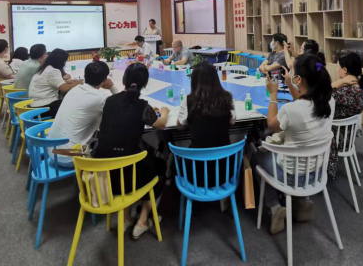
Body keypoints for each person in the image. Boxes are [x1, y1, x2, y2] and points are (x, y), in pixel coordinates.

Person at [255, 53, 335, 235]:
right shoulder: (329, 102)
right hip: (317, 173)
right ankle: (302, 200)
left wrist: (273, 94)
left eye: (292, 72)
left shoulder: (291, 110)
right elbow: (303, 103)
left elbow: (271, 125)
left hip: (291, 175)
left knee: (258, 155)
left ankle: (274, 207)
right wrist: (291, 85)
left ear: (299, 79)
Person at [94, 62, 170, 239]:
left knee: (123, 156)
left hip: (103, 173)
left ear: (124, 80)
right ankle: (142, 221)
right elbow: (161, 124)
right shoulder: (142, 106)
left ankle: (126, 218)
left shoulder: (110, 101)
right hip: (129, 173)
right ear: (145, 84)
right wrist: (164, 112)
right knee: (160, 167)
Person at [178, 61, 236, 189]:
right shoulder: (227, 98)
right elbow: (232, 121)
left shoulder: (188, 100)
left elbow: (180, 125)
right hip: (224, 170)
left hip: (195, 172)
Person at [48, 61, 118, 166]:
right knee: (113, 142)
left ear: (85, 76)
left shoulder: (74, 90)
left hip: (52, 151)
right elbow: (123, 108)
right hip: (70, 158)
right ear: (105, 80)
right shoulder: (101, 98)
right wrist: (112, 87)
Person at [328, 52, 363, 179]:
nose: (337, 69)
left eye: (338, 67)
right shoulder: (359, 88)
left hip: (335, 139)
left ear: (345, 70)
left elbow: (321, 93)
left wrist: (340, 82)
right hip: (348, 137)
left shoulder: (345, 92)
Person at [28, 48, 81, 118]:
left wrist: (67, 82)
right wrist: (78, 83)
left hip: (33, 106)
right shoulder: (53, 71)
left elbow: (50, 82)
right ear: (60, 61)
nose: (65, 64)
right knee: (69, 105)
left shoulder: (45, 68)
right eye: (64, 61)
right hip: (42, 108)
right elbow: (64, 88)